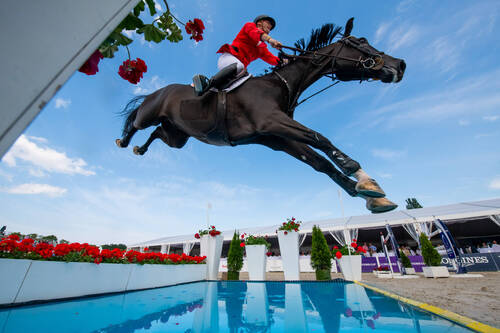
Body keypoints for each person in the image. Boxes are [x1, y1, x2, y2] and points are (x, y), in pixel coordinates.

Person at [192, 15, 284, 96]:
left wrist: (288, 61)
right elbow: (256, 34)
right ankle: (206, 85)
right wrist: (270, 40)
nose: (270, 26)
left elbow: (273, 60)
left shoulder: (261, 48)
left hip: (240, 70)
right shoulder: (250, 26)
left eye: (271, 26)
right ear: (259, 23)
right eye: (268, 22)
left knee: (248, 82)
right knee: (239, 66)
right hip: (228, 59)